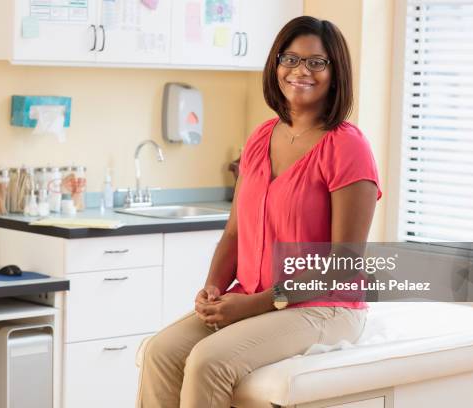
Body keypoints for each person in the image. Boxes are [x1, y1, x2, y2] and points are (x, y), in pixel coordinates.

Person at [136, 15, 382, 408]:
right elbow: (234, 233)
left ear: (336, 74)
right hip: (251, 297)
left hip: (325, 307)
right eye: (290, 58)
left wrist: (257, 303)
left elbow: (345, 261)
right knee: (160, 351)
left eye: (316, 62)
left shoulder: (347, 146)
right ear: (276, 65)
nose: (300, 70)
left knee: (208, 360)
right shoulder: (260, 138)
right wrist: (213, 290)